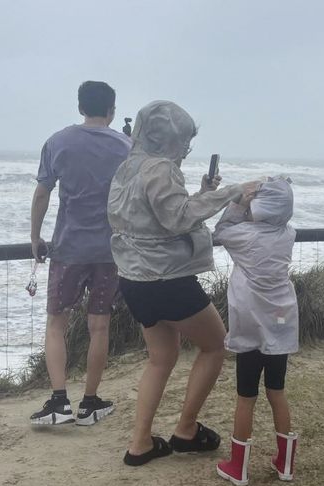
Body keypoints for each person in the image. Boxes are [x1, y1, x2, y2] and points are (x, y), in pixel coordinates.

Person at [107, 100, 261, 466]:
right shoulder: (161, 168)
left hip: (133, 277)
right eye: (184, 141)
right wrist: (230, 193)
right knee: (215, 346)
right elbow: (177, 220)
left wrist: (203, 193)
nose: (185, 149)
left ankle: (140, 443)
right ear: (173, 138)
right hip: (167, 280)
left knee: (161, 359)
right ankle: (186, 430)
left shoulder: (129, 167)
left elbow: (158, 215)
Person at [28, 81, 131, 426]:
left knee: (57, 323)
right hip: (109, 250)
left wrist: (34, 237)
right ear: (112, 110)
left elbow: (42, 193)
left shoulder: (58, 142)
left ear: (80, 107)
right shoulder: (126, 146)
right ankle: (90, 403)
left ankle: (59, 401)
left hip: (69, 247)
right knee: (99, 326)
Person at [213, 177, 299, 486]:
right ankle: (285, 463)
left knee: (246, 397)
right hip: (281, 321)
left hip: (251, 326)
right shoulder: (288, 233)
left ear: (259, 208)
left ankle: (239, 466)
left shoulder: (245, 236)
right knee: (277, 391)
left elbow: (220, 231)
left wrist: (238, 203)